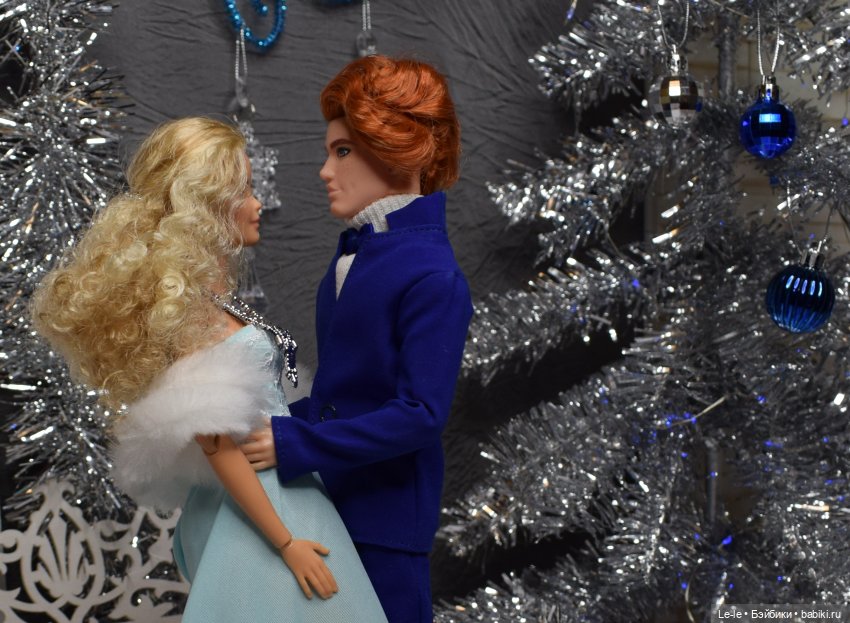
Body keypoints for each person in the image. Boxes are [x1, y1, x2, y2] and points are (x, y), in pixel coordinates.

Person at [30, 117, 388, 623]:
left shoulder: (212, 301)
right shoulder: (192, 312)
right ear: (208, 205)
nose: (259, 204)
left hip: (279, 487)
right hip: (262, 506)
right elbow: (216, 443)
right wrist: (286, 542)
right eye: (245, 190)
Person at [239, 56, 474, 622]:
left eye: (342, 151)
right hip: (332, 501)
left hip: (386, 518)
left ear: (396, 147)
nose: (326, 170)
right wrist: (272, 420)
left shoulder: (432, 274)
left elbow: (420, 415)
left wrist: (295, 442)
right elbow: (342, 395)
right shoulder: (357, 254)